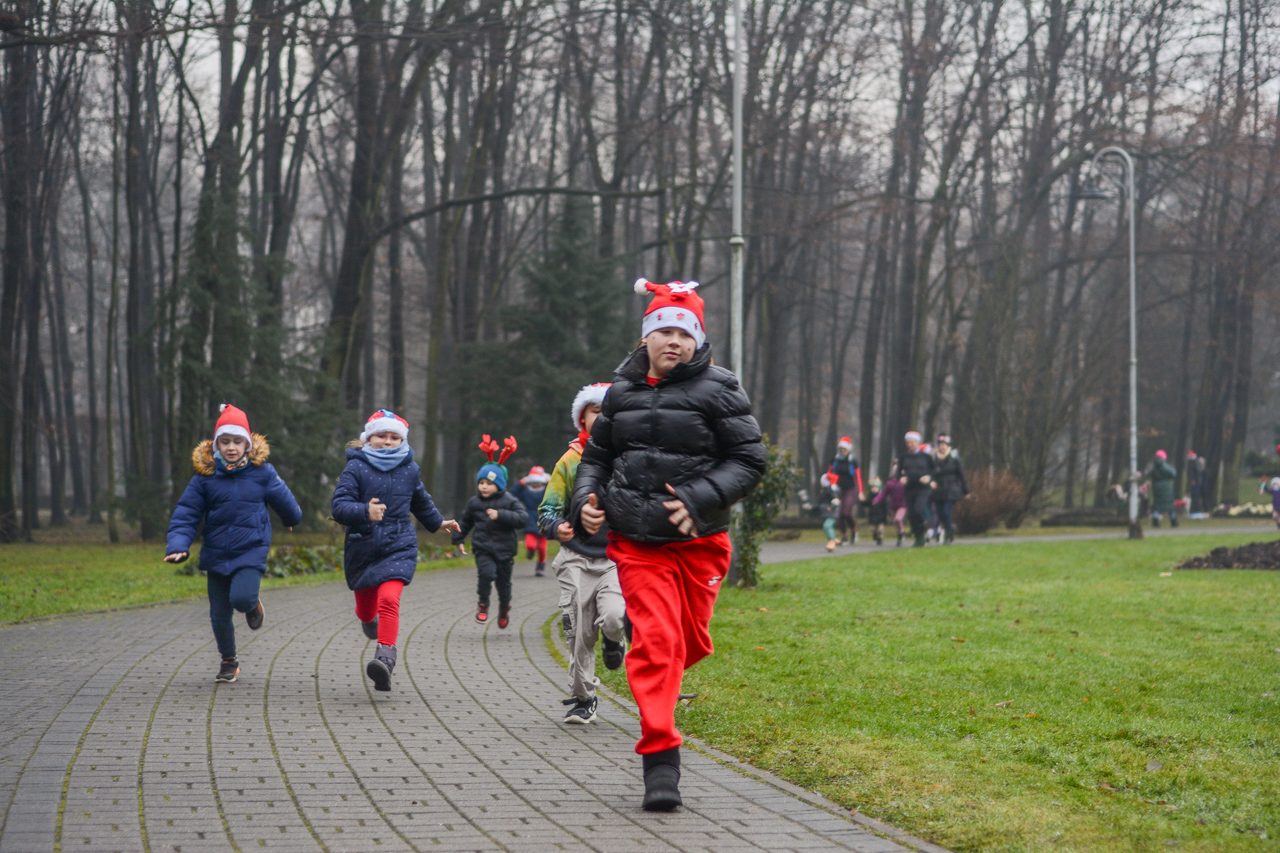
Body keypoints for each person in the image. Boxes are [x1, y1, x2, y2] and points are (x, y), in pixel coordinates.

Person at [572, 278, 766, 812]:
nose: (674, 340)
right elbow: (595, 458)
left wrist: (700, 497)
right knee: (657, 646)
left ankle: (659, 661)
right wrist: (586, 499)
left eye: (685, 332)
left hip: (701, 542)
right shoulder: (622, 393)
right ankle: (661, 761)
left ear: (698, 340)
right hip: (638, 542)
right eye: (664, 330)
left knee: (689, 642)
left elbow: (750, 461)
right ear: (646, 338)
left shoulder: (720, 389)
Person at [165, 404, 302, 683]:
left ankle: (253, 605)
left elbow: (285, 500)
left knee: (241, 598)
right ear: (216, 443)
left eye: (237, 441)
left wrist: (291, 517)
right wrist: (178, 545)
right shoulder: (205, 478)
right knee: (218, 615)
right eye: (224, 441)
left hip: (251, 548)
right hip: (216, 552)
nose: (231, 447)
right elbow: (186, 514)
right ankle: (229, 661)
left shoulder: (262, 472)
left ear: (247, 444)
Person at [331, 410, 459, 692]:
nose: (387, 442)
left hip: (398, 544)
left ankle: (385, 659)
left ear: (402, 440)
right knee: (366, 611)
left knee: (389, 599)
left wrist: (438, 522)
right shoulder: (356, 468)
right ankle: (369, 620)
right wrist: (365, 511)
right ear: (369, 438)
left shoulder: (409, 468)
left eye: (394, 437)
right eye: (381, 436)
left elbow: (420, 501)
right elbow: (338, 507)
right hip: (362, 547)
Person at [538, 382, 627, 724]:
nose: (603, 418)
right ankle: (583, 697)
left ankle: (614, 640)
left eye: (610, 413)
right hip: (575, 556)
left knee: (615, 617)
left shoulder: (628, 457)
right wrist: (555, 526)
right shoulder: (570, 460)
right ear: (582, 419)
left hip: (615, 558)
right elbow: (546, 510)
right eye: (595, 412)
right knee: (578, 632)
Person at [453, 435, 529, 628]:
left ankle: (504, 608)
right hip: (483, 548)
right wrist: (458, 538)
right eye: (481, 483)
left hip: (505, 550)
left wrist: (501, 515)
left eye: (489, 483)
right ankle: (483, 605)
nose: (484, 487)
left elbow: (522, 519)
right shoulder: (475, 502)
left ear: (500, 485)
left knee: (504, 585)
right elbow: (466, 521)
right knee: (486, 575)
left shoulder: (509, 501)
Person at [896, 431, 937, 547]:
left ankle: (923, 529)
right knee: (912, 514)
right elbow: (898, 472)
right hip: (910, 488)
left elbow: (935, 470)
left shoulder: (926, 457)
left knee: (919, 510)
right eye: (908, 443)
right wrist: (901, 478)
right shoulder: (904, 457)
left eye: (912, 442)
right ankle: (919, 538)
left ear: (918, 442)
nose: (910, 445)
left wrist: (929, 477)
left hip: (923, 488)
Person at [510, 466, 550, 576]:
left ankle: (540, 567)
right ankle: (531, 552)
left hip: (545, 520)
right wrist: (521, 483)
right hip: (530, 520)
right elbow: (511, 494)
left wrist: (550, 482)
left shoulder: (547, 491)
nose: (536, 484)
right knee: (531, 544)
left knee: (542, 548)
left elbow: (558, 491)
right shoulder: (525, 492)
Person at [930, 435, 969, 545]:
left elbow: (962, 475)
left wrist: (966, 491)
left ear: (948, 446)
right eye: (940, 445)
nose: (941, 447)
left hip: (951, 490)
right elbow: (930, 473)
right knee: (939, 513)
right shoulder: (934, 459)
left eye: (944, 445)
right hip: (938, 491)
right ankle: (948, 529)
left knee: (946, 511)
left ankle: (949, 532)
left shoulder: (954, 459)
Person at [827, 436, 864, 544]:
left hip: (850, 489)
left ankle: (853, 529)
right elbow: (829, 474)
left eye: (845, 449)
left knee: (846, 513)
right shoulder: (834, 460)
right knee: (839, 513)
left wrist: (861, 492)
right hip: (837, 490)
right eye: (841, 449)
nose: (843, 451)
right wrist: (827, 487)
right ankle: (844, 535)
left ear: (848, 450)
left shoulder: (853, 461)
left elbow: (858, 477)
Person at [873, 468, 907, 546]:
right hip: (894, 505)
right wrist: (877, 499)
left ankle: (902, 532)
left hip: (903, 505)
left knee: (897, 519)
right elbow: (883, 494)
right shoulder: (890, 483)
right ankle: (900, 535)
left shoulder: (905, 481)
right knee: (895, 521)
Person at [1146, 450, 1178, 528]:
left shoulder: (1153, 466)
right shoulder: (1165, 465)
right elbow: (1173, 474)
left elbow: (1147, 474)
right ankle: (1173, 521)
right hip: (1167, 487)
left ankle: (1155, 521)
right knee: (1169, 505)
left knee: (1158, 505)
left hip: (1156, 487)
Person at [818, 473, 841, 551]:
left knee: (827, 526)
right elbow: (821, 502)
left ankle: (832, 542)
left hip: (832, 512)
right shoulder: (825, 490)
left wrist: (832, 507)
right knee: (828, 527)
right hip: (826, 513)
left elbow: (836, 500)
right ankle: (834, 539)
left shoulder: (832, 489)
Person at [863, 477, 888, 545]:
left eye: (876, 487)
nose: (874, 489)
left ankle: (880, 538)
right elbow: (867, 504)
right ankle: (875, 535)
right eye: (873, 488)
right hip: (873, 515)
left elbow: (886, 505)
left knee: (880, 529)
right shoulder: (870, 496)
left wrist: (887, 513)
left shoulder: (882, 497)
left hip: (881, 516)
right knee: (873, 528)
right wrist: (863, 501)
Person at [1185, 450, 1204, 515]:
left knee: (1196, 496)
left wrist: (1194, 480)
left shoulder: (1196, 463)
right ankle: (1195, 510)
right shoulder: (1194, 463)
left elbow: (1198, 472)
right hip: (1195, 482)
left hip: (1196, 483)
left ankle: (1197, 511)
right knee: (1194, 496)